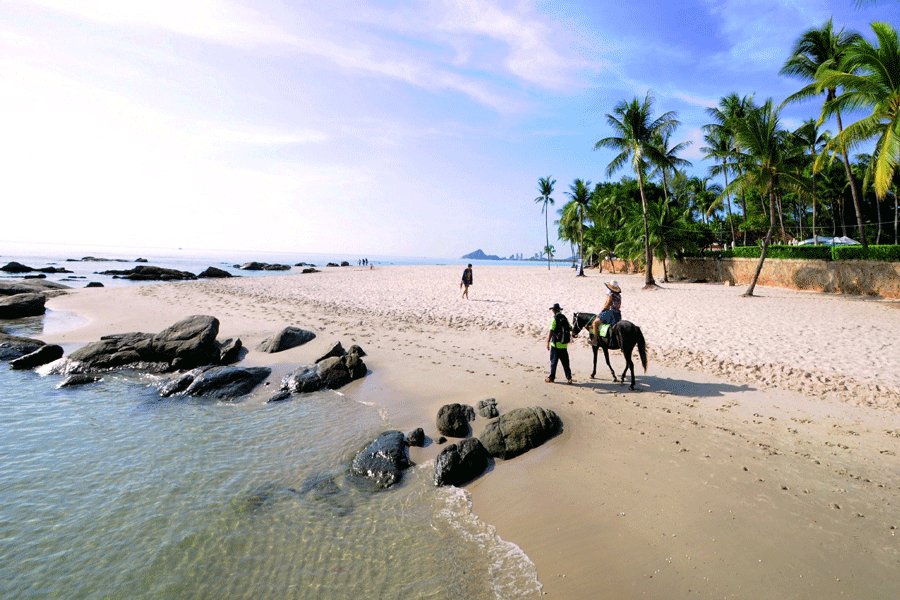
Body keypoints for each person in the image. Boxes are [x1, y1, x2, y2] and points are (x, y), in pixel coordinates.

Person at [546, 303, 573, 384]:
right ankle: (569, 378)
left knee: (553, 362)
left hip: (556, 344)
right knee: (565, 363)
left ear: (554, 310)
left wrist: (548, 341)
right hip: (564, 344)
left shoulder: (555, 318)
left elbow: (551, 330)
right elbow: (570, 328)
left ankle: (551, 378)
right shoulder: (564, 317)